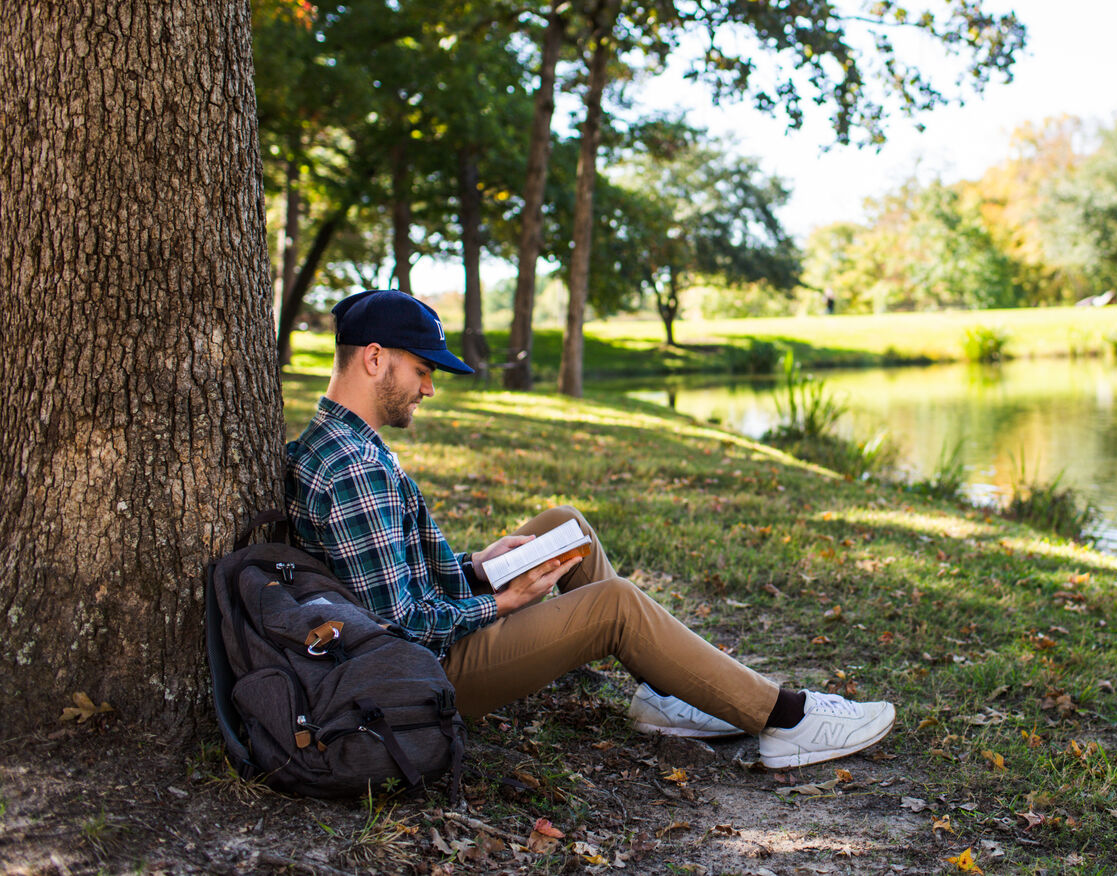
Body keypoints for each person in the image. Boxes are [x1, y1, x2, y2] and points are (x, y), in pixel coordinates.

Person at [285, 290, 893, 769]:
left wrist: (474, 565)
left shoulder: (345, 444)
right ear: (373, 358)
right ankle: (785, 720)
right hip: (425, 674)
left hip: (422, 639)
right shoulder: (353, 469)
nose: (429, 387)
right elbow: (399, 627)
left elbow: (387, 576)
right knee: (616, 607)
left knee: (564, 526)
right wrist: (498, 603)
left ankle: (664, 693)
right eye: (421, 369)